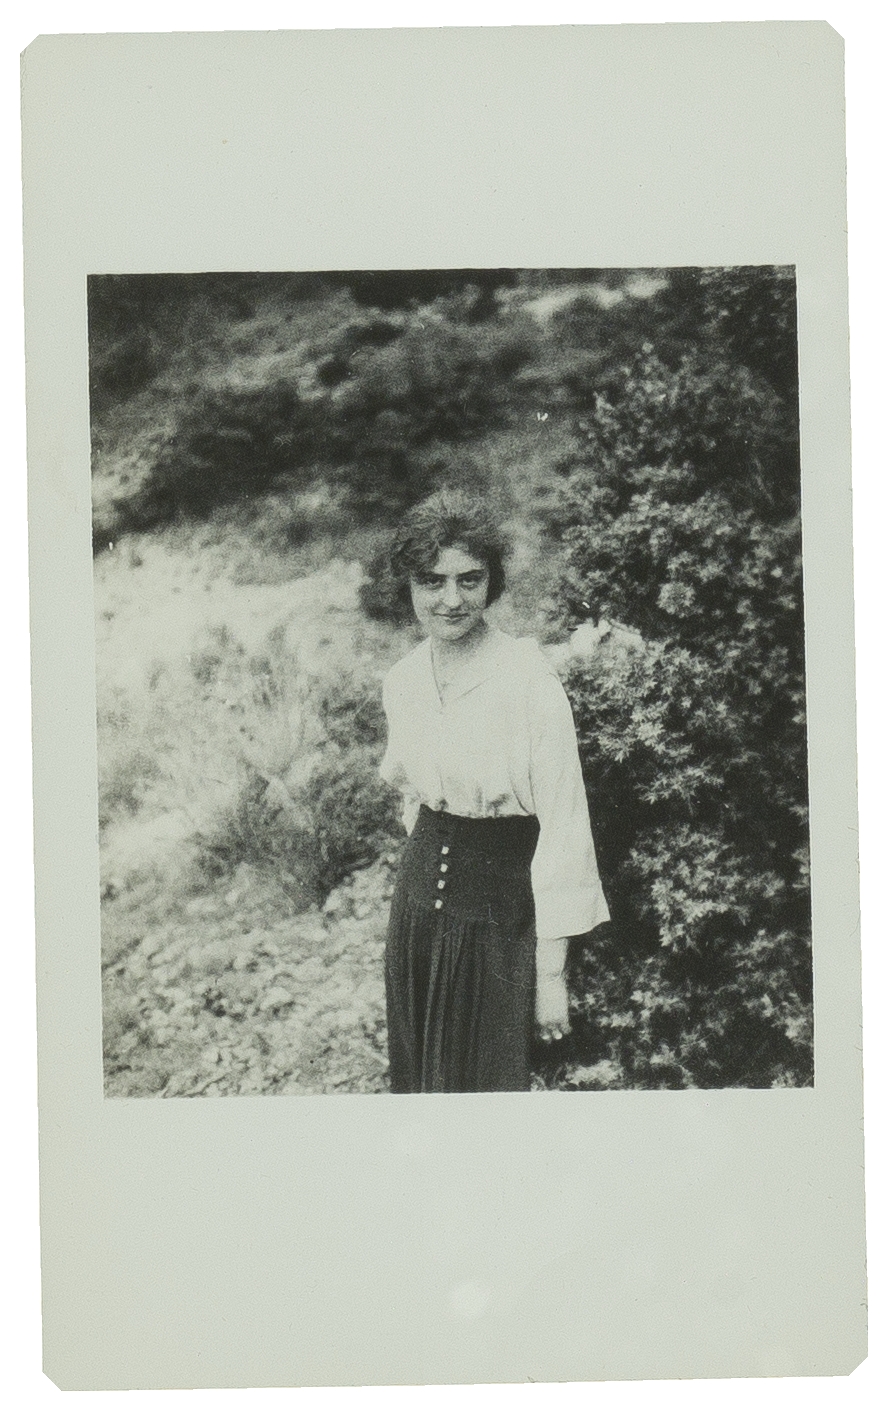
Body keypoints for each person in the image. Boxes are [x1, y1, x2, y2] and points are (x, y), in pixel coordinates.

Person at [379, 489, 610, 1093]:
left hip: (499, 916)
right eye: (432, 581)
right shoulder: (403, 681)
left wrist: (550, 974)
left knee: (488, 1095)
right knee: (421, 1088)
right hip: (416, 916)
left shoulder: (528, 683)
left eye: (469, 579)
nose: (451, 600)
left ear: (493, 581)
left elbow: (565, 828)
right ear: (408, 585)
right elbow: (411, 800)